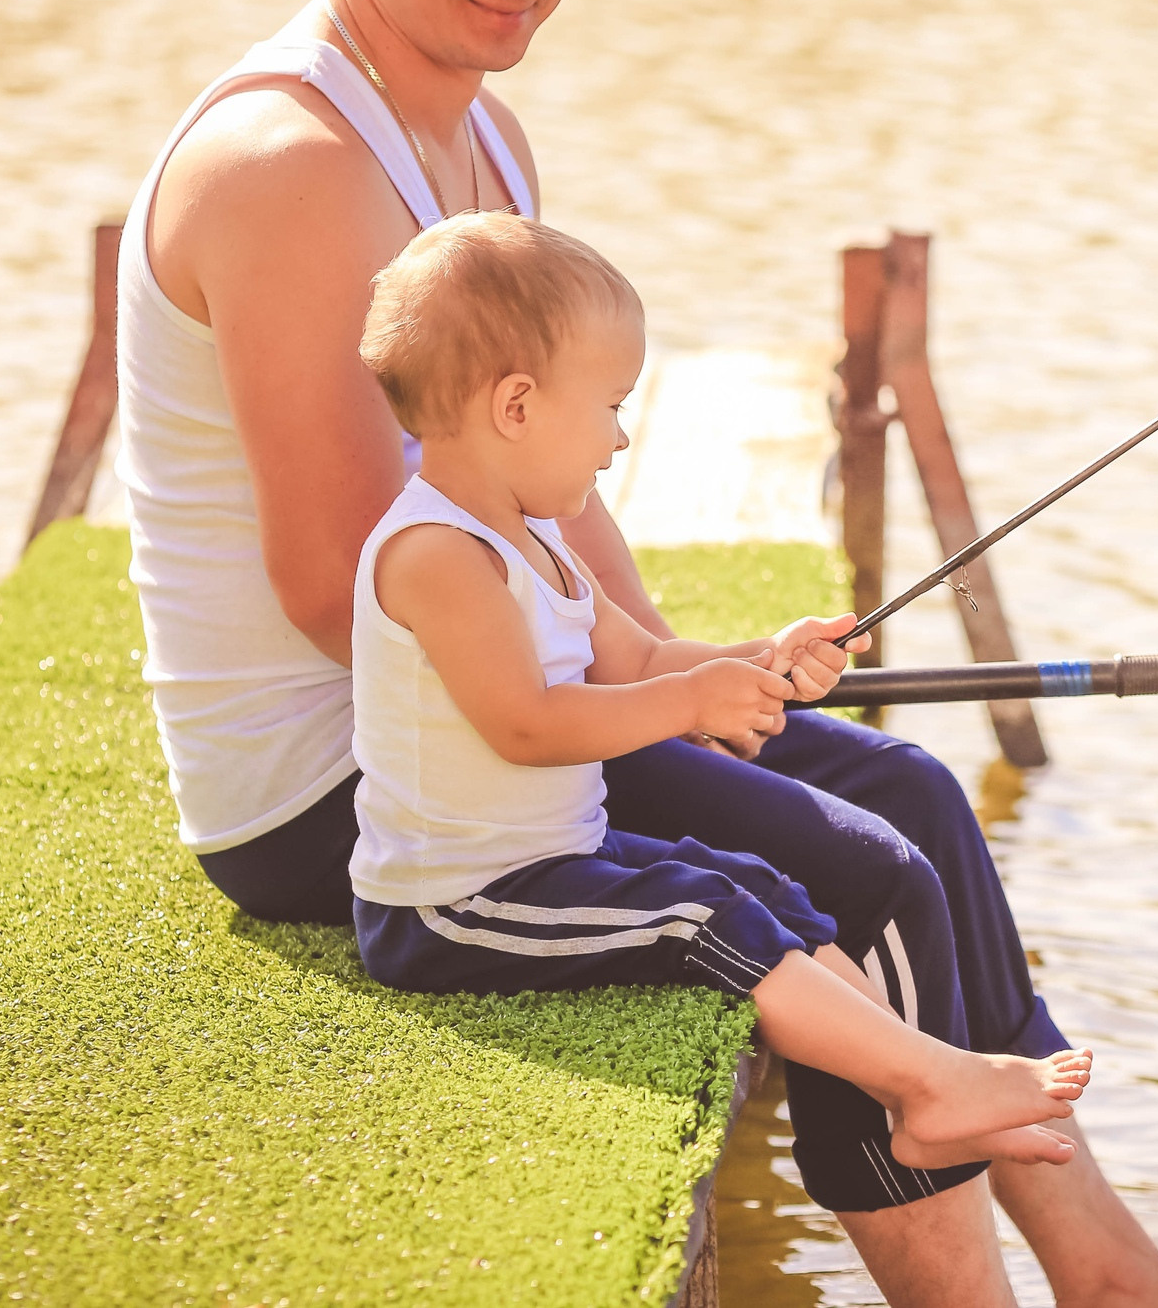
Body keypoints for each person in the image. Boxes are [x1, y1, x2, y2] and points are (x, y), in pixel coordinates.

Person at [115, 0, 1158, 1306]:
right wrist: (632, 707)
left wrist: (679, 668)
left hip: (481, 711)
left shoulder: (486, 142)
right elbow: (342, 584)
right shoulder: (285, 170)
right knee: (865, 868)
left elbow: (537, 490)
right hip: (344, 792)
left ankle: (1098, 1252)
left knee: (909, 799)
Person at [346, 212, 1092, 1174]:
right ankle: (927, 1085)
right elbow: (527, 725)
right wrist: (692, 704)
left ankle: (925, 1077)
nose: (620, 438)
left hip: (550, 858)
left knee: (757, 886)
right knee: (709, 915)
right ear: (517, 407)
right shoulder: (438, 554)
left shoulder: (541, 540)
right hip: (457, 903)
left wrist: (756, 661)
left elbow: (637, 663)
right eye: (611, 406)